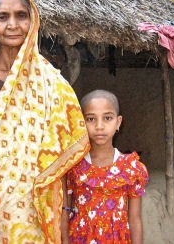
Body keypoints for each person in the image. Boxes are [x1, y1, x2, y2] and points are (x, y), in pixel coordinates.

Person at [0, 0, 90, 243]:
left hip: (37, 202)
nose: (12, 24)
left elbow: (63, 148)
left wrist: (62, 211)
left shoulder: (50, 80)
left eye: (21, 16)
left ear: (33, 21)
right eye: (2, 17)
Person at [67, 90, 149, 243]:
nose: (99, 126)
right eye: (91, 119)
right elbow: (66, 211)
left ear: (118, 123)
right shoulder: (73, 167)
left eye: (107, 118)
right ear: (81, 123)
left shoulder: (131, 168)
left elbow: (135, 219)